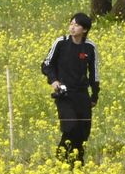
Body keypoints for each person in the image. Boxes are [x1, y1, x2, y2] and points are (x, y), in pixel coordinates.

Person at [41, 12, 100, 166]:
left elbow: (94, 73)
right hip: (64, 93)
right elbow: (46, 64)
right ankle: (62, 157)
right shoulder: (61, 42)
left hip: (82, 94)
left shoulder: (90, 47)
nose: (72, 27)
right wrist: (54, 81)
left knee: (83, 130)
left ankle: (77, 163)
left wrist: (94, 95)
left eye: (76, 25)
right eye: (71, 24)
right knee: (70, 126)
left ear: (84, 29)